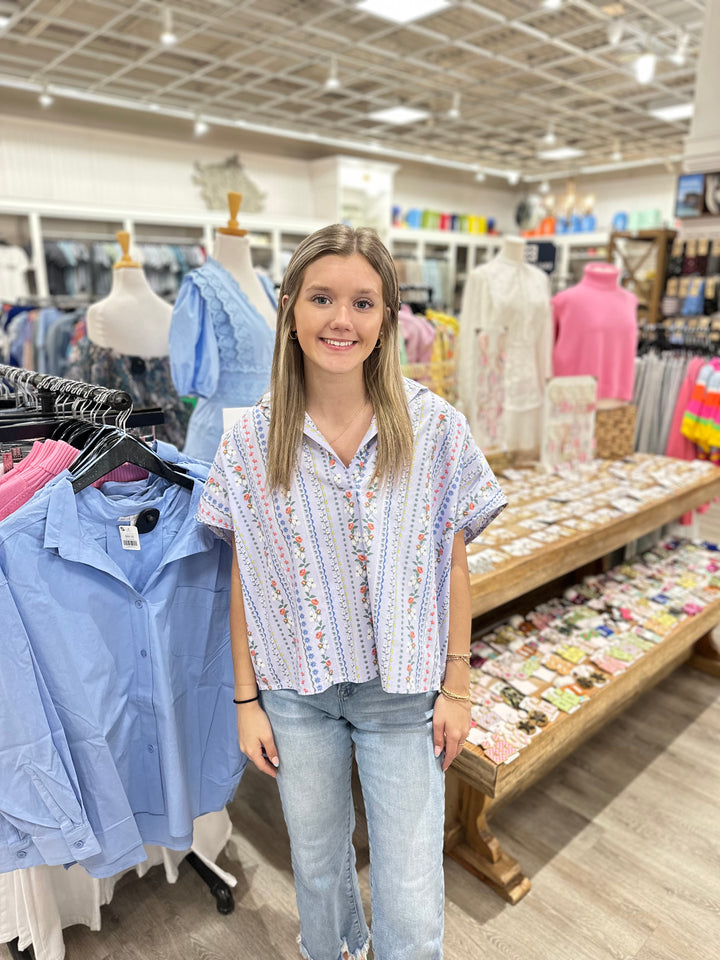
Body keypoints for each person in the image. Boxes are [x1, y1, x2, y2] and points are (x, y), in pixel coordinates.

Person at [196, 224, 507, 960]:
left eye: (363, 302)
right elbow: (244, 574)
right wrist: (246, 701)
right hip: (295, 696)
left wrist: (457, 686)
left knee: (409, 887)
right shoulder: (250, 441)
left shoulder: (434, 428)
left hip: (402, 696)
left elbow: (453, 561)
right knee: (318, 869)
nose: (342, 320)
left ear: (387, 317)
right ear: (291, 311)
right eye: (323, 298)